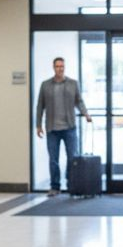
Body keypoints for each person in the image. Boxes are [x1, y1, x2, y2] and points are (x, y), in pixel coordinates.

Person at [34, 56, 92, 196]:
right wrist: (38, 125)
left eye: (62, 66)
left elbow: (79, 101)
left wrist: (86, 114)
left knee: (72, 158)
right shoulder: (45, 85)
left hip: (69, 128)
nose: (60, 69)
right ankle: (55, 186)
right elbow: (40, 106)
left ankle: (71, 183)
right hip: (52, 129)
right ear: (53, 67)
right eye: (57, 66)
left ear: (64, 67)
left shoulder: (73, 83)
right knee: (53, 159)